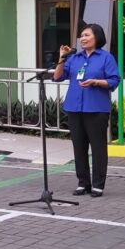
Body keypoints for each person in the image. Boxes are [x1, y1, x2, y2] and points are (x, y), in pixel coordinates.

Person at [52, 24, 120, 198]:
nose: (82, 38)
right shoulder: (74, 58)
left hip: (96, 109)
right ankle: (83, 183)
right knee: (79, 148)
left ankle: (97, 185)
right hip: (74, 108)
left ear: (97, 37)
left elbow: (114, 80)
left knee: (98, 149)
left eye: (87, 35)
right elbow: (57, 77)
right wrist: (61, 58)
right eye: (81, 35)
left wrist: (96, 82)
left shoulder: (106, 58)